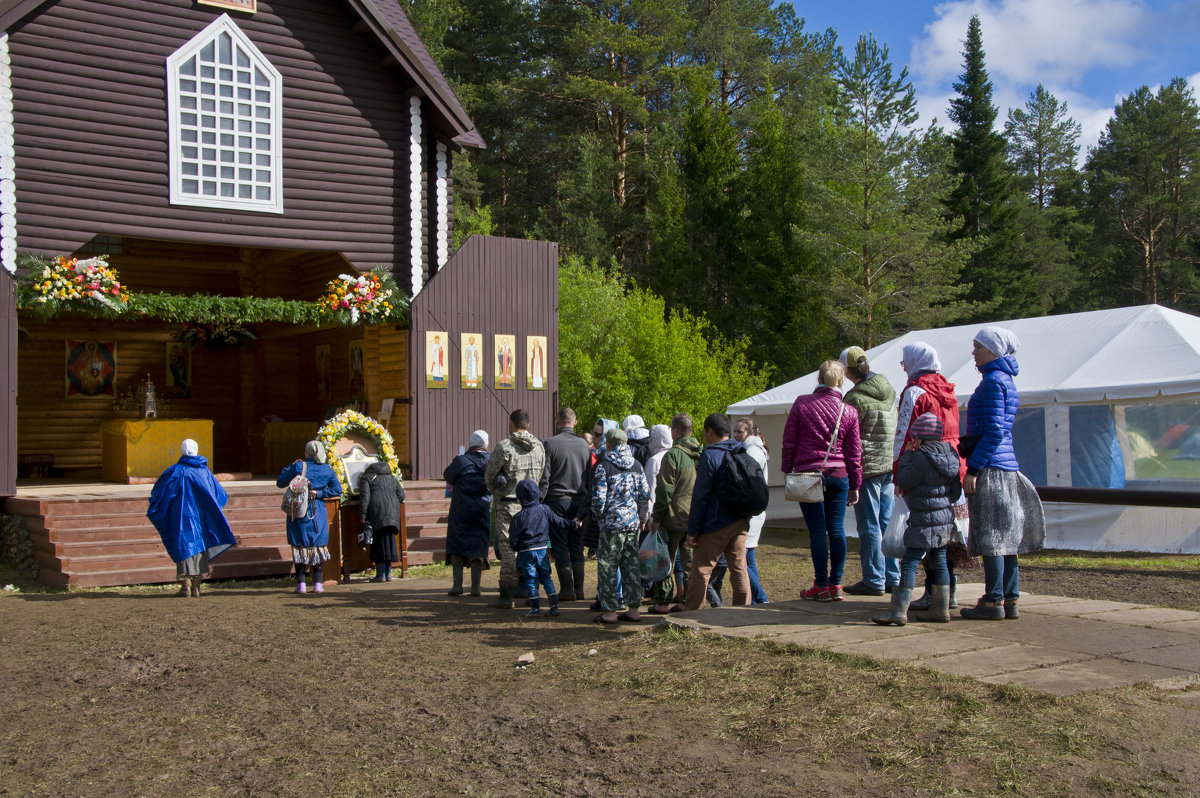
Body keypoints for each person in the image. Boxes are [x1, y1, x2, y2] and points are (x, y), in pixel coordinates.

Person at [960, 327, 1044, 620]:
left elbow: (994, 431)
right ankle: (1010, 599)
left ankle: (994, 599)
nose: (974, 353)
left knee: (992, 535)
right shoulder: (1003, 379)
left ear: (994, 351)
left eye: (978, 347)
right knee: (1007, 536)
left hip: (992, 467)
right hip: (1004, 464)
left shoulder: (994, 382)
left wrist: (974, 467)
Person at [893, 341, 968, 611]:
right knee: (946, 534)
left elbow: (903, 433)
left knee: (924, 535)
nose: (904, 370)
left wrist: (898, 472)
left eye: (904, 364)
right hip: (951, 463)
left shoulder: (916, 391)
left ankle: (926, 595)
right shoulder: (947, 390)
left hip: (922, 465)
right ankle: (949, 592)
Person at [781, 360, 862, 602]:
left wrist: (787, 470)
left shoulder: (802, 404)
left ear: (819, 378)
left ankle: (820, 584)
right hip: (839, 475)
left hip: (809, 474)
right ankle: (836, 583)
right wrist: (856, 484)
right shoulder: (849, 411)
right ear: (841, 381)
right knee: (836, 530)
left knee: (817, 531)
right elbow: (854, 452)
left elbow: (789, 441)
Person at [873, 413, 961, 625]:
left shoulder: (920, 456)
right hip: (944, 519)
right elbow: (956, 492)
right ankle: (941, 609)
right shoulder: (952, 454)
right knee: (939, 561)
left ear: (919, 437)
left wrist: (906, 457)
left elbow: (904, 480)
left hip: (922, 518)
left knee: (910, 562)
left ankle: (898, 611)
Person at [677, 413, 754, 611]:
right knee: (739, 568)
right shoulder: (741, 450)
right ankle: (743, 611)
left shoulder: (710, 455)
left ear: (710, 431)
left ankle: (693, 613)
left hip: (715, 522)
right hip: (740, 518)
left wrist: (693, 530)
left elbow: (700, 496)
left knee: (701, 570)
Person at [839, 346, 899, 596]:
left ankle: (874, 578)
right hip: (888, 463)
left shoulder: (854, 398)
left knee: (869, 525)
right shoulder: (889, 389)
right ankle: (892, 576)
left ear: (847, 370)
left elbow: (847, 436)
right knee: (886, 523)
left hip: (868, 467)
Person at [147, 439, 236, 597]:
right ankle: (197, 586)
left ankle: (185, 586)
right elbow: (219, 494)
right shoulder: (204, 472)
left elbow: (160, 494)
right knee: (199, 548)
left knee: (184, 548)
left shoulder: (175, 472)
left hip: (181, 518)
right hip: (201, 519)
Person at [485, 409, 547, 608]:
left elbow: (489, 476)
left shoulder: (504, 447)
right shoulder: (539, 447)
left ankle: (505, 596)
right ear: (527, 426)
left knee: (508, 550)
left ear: (510, 424)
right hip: (531, 507)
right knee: (531, 549)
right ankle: (532, 593)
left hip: (508, 504)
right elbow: (541, 476)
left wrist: (497, 490)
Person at [591, 428, 650, 623]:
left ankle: (609, 612)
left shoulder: (604, 465)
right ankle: (634, 609)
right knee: (631, 567)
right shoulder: (637, 465)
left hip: (611, 526)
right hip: (632, 525)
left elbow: (599, 499)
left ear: (608, 444)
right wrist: (641, 517)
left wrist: (598, 517)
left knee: (608, 567)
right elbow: (644, 494)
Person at [647, 414, 702, 614]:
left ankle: (662, 602)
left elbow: (665, 490)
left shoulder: (673, 455)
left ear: (676, 431)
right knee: (689, 564)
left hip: (672, 518)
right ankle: (688, 601)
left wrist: (658, 517)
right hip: (693, 518)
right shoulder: (700, 453)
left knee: (664, 562)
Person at [276, 440, 344, 594]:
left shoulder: (299, 467)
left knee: (299, 547)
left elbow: (280, 482)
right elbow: (337, 489)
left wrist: (291, 466)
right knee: (317, 546)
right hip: (317, 511)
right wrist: (320, 493)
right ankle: (318, 584)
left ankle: (301, 585)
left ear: (307, 452)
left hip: (299, 510)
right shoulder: (327, 469)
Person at [539, 407, 591, 600]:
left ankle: (567, 589)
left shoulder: (550, 444)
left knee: (560, 546)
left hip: (557, 500)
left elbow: (545, 478)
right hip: (579, 501)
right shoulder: (585, 445)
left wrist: (539, 501)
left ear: (556, 421)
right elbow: (589, 478)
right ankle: (579, 589)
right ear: (575, 422)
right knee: (577, 546)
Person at [509, 479, 577, 618]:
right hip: (542, 548)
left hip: (526, 551)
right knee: (546, 577)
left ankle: (535, 608)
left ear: (520, 498)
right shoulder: (544, 509)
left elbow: (513, 538)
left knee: (531, 578)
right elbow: (558, 522)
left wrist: (516, 547)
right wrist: (572, 524)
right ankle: (554, 606)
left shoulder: (518, 517)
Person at [444, 431, 492, 597]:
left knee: (457, 544)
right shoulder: (491, 461)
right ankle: (475, 587)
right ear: (486, 444)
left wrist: (457, 460)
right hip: (482, 508)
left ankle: (457, 585)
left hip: (461, 509)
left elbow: (448, 476)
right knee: (479, 545)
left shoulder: (461, 460)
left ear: (471, 443)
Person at [732, 417, 770, 604]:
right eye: (735, 431)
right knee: (749, 559)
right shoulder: (750, 449)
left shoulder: (752, 451)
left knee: (742, 560)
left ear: (750, 433)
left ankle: (761, 598)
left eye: (740, 432)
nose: (736, 435)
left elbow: (749, 484)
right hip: (754, 511)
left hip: (752, 513)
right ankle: (756, 599)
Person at [358, 460, 406, 583]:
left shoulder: (368, 478)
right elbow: (401, 496)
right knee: (390, 542)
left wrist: (363, 514)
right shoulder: (392, 478)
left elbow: (365, 496)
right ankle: (388, 573)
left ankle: (380, 575)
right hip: (393, 512)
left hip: (376, 512)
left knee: (378, 542)